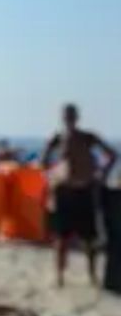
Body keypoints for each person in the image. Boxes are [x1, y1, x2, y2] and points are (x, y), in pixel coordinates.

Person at [42, 103, 117, 287]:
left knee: (89, 238)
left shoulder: (87, 137)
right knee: (61, 238)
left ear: (77, 117)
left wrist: (102, 175)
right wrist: (54, 176)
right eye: (67, 116)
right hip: (64, 192)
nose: (69, 119)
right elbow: (43, 162)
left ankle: (92, 276)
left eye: (72, 115)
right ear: (63, 118)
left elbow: (112, 155)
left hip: (85, 190)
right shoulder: (57, 138)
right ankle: (59, 276)